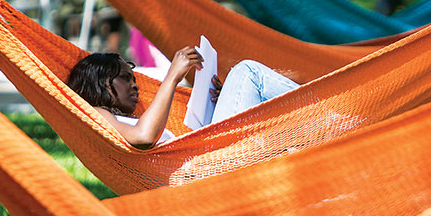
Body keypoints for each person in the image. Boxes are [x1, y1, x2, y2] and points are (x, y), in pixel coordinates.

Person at [66, 48, 301, 147]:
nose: (135, 86)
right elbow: (144, 137)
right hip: (211, 167)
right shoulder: (96, 114)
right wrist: (172, 77)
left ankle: (329, 120)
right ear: (102, 82)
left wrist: (221, 104)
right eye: (126, 78)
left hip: (212, 155)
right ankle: (330, 111)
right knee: (247, 72)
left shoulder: (134, 117)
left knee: (249, 87)